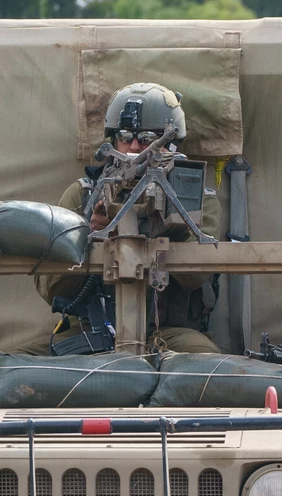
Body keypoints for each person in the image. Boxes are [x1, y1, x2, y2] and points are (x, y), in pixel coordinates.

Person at [33, 82, 222, 354]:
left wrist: (174, 224)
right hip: (92, 329)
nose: (134, 146)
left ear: (170, 143)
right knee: (21, 365)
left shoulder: (198, 199)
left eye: (147, 138)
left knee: (207, 365)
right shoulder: (82, 195)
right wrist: (86, 237)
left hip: (167, 333)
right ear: (112, 139)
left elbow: (197, 278)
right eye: (125, 135)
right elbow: (51, 289)